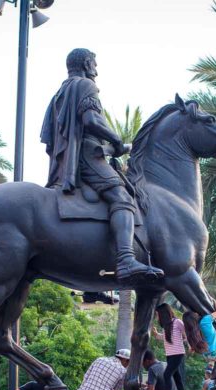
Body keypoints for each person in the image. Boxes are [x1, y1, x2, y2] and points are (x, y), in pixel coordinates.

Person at [40, 48, 162, 284]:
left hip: (70, 158)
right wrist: (116, 140)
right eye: (94, 64)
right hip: (88, 155)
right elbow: (91, 120)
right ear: (87, 63)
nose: (96, 69)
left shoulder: (59, 93)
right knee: (123, 198)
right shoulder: (85, 86)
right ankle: (126, 258)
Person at [152, 303, 188, 390]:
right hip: (170, 354)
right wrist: (155, 334)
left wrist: (188, 344)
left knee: (167, 374)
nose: (157, 317)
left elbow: (186, 335)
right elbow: (164, 338)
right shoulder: (166, 326)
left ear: (163, 314)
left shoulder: (177, 322)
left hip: (178, 353)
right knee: (177, 377)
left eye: (158, 314)